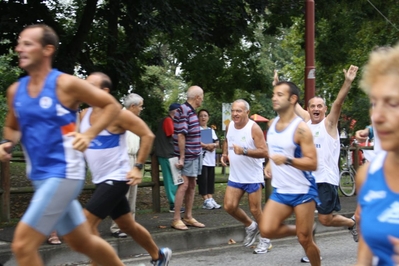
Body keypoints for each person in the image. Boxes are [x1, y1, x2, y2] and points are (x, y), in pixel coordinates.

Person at [0, 24, 124, 266]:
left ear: (47, 49)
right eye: (18, 43)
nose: (18, 49)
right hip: (39, 176)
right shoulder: (16, 91)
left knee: (23, 245)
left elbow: (110, 105)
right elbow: (12, 127)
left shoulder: (66, 84)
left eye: (27, 43)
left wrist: (88, 135)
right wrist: (6, 143)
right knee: (81, 242)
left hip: (65, 173)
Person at [81, 73, 172, 266]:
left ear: (104, 91)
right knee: (126, 225)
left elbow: (147, 135)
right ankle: (159, 256)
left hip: (117, 178)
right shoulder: (84, 114)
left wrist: (138, 167)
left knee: (85, 225)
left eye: (90, 85)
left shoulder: (118, 115)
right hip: (101, 180)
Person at [259, 81, 321, 265]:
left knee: (305, 240)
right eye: (273, 94)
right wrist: (270, 162)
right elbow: (276, 149)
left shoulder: (301, 129)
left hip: (302, 191)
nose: (274, 98)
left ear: (293, 99)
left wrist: (287, 160)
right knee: (266, 229)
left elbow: (313, 163)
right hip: (281, 190)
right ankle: (303, 228)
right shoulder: (272, 124)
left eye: (279, 94)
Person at [354, 44, 399, 266]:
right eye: (374, 103)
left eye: (392, 103)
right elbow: (365, 258)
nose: (377, 116)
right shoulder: (367, 175)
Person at [220, 99, 272, 254]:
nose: (235, 114)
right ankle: (251, 226)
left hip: (252, 176)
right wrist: (224, 154)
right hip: (236, 176)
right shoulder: (230, 125)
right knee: (229, 206)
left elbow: (264, 151)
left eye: (239, 111)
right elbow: (227, 140)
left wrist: (244, 151)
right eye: (233, 110)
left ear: (247, 112)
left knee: (256, 209)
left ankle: (265, 238)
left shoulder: (253, 128)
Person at [170, 86, 205, 230]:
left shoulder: (191, 111)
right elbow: (181, 135)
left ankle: (188, 216)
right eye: (202, 96)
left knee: (192, 185)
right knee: (183, 185)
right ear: (197, 97)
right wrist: (182, 157)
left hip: (195, 154)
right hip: (188, 155)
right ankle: (176, 218)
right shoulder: (184, 110)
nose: (202, 99)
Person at [109, 92, 143, 238]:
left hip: (133, 158)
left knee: (132, 195)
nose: (142, 109)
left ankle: (129, 224)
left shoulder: (134, 119)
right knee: (122, 194)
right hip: (122, 159)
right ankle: (117, 226)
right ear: (133, 106)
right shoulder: (119, 117)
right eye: (141, 106)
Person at [154, 103, 181, 213]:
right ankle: (173, 204)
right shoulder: (168, 120)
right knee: (171, 180)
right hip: (167, 153)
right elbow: (173, 134)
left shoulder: (170, 120)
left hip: (170, 154)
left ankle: (175, 203)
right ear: (175, 111)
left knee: (176, 179)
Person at [198, 109, 221, 210]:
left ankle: (210, 198)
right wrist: (207, 146)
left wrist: (213, 145)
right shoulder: (196, 129)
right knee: (203, 179)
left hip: (211, 160)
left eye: (205, 115)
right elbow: (196, 142)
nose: (203, 117)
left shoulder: (211, 130)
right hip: (201, 159)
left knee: (210, 180)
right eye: (201, 116)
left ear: (208, 118)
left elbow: (217, 142)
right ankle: (205, 199)